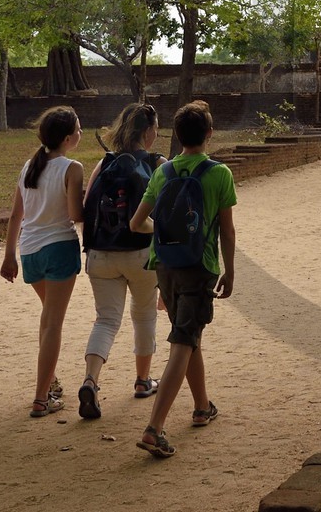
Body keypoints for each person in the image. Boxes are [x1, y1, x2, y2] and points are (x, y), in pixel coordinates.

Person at [129, 100, 236, 458]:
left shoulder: (163, 172)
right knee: (183, 341)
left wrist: (165, 231)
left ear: (176, 134)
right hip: (198, 266)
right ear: (209, 134)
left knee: (188, 337)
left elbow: (137, 223)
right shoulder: (219, 174)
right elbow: (226, 229)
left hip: (165, 265)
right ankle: (154, 428)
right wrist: (230, 270)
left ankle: (202, 406)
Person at [76, 102, 166, 419]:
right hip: (142, 253)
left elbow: (86, 209)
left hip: (102, 254)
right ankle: (143, 380)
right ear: (148, 131)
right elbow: (167, 213)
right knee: (144, 316)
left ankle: (91, 380)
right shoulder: (157, 164)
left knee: (105, 320)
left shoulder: (106, 163)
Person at [0, 105, 85, 418]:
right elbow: (76, 215)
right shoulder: (71, 168)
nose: (81, 132)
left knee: (47, 319)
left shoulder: (29, 166)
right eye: (78, 128)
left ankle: (49, 383)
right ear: (67, 138)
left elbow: (16, 215)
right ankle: (40, 398)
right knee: (52, 323)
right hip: (59, 248)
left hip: (30, 251)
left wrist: (9, 255)